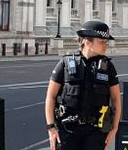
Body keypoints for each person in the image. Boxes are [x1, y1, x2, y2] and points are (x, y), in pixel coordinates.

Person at [45, 21, 121, 150]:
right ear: (87, 42)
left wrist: (115, 128)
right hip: (68, 130)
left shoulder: (108, 67)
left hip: (96, 132)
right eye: (102, 42)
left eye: (106, 42)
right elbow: (50, 96)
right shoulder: (66, 63)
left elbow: (116, 99)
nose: (105, 46)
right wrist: (51, 128)